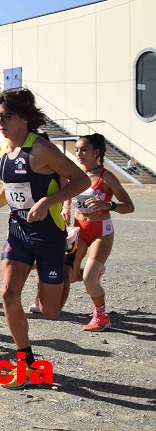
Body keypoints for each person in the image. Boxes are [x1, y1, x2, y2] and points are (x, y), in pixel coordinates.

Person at [0, 87, 89, 388]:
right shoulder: (0, 151)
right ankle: (26, 361)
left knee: (51, 311)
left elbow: (82, 180)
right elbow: (11, 188)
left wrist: (47, 202)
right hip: (18, 232)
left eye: (6, 116)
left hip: (49, 235)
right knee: (8, 294)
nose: (0, 122)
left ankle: (67, 260)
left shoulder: (41, 150)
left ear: (24, 118)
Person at [61, 134, 134, 331]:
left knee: (89, 279)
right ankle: (95, 272)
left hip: (101, 232)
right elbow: (68, 194)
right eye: (77, 149)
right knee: (72, 276)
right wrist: (65, 207)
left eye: (84, 150)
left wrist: (108, 204)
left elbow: (129, 207)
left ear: (97, 152)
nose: (79, 154)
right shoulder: (75, 174)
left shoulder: (106, 177)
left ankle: (101, 316)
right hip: (78, 230)